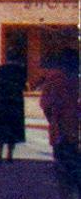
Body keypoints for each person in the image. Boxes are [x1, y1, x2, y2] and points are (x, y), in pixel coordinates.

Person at [39, 51, 79, 199]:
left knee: (65, 176)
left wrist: (54, 122)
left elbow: (45, 104)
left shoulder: (55, 80)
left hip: (63, 134)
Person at [0, 52, 28, 162]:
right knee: (13, 128)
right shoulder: (21, 70)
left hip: (3, 101)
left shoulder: (1, 69)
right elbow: (24, 86)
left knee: (1, 128)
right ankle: (10, 155)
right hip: (16, 102)